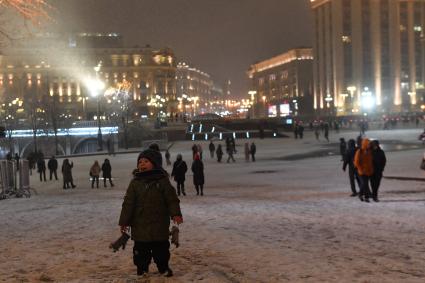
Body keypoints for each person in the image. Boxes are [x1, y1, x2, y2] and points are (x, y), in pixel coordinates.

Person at [119, 149, 183, 277]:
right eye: (140, 162)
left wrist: (176, 213)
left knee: (162, 250)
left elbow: (171, 199)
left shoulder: (162, 181)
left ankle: (163, 267)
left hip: (159, 225)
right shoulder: (135, 183)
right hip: (140, 226)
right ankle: (142, 269)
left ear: (155, 163)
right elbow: (128, 204)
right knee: (141, 251)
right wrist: (124, 221)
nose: (142, 164)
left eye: (146, 161)